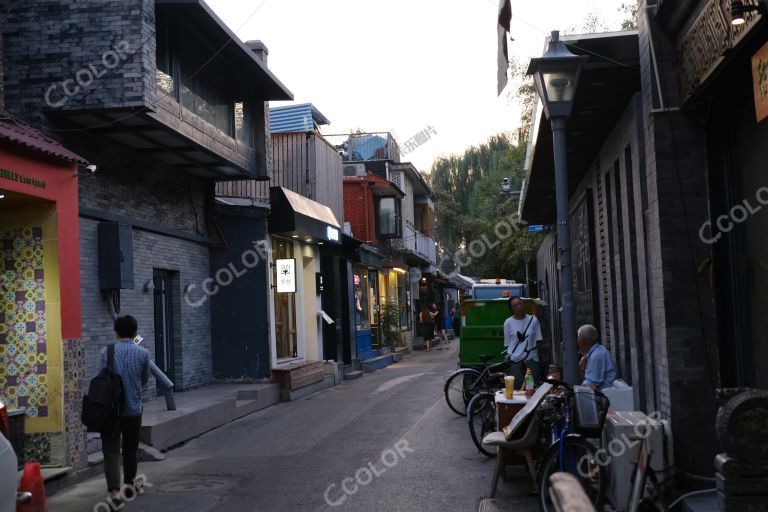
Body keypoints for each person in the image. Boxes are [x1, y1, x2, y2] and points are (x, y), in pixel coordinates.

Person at [99, 315, 150, 505]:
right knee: (130, 449)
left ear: (116, 332)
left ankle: (114, 492)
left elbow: (101, 379)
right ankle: (129, 485)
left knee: (111, 451)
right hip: (133, 408)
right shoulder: (143, 353)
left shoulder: (106, 352)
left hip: (111, 411)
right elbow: (144, 379)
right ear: (135, 332)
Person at [503, 296, 543, 384]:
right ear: (512, 309)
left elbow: (539, 340)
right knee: (517, 387)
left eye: (520, 303)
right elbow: (507, 344)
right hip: (515, 360)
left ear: (523, 304)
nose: (519, 307)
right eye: (515, 305)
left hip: (531, 359)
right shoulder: (508, 323)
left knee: (532, 386)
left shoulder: (533, 320)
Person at [576, 324, 618, 390]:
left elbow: (590, 384)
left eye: (579, 339)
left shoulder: (596, 356)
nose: (577, 342)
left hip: (605, 396)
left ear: (585, 341)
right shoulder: (595, 352)